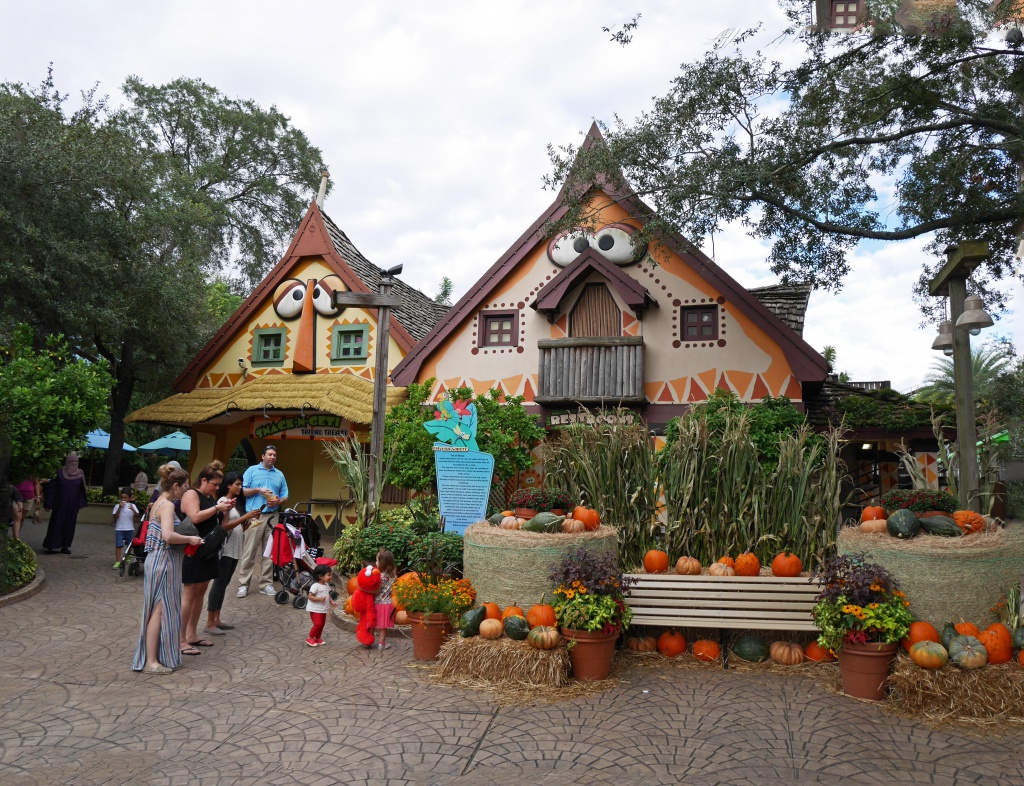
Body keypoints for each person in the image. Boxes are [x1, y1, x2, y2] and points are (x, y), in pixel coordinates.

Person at [131, 463, 203, 674]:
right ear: (176, 486)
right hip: (164, 560)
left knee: (157, 608)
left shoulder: (158, 503)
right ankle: (152, 661)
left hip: (159, 560)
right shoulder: (168, 505)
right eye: (185, 487)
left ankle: (154, 657)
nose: (186, 491)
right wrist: (191, 538)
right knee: (159, 609)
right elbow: (168, 536)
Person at [179, 460, 232, 654]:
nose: (217, 488)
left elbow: (219, 523)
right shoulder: (192, 494)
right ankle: (180, 638)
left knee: (201, 591)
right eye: (214, 484)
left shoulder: (210, 497)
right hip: (193, 550)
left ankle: (192, 633)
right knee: (190, 592)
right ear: (203, 480)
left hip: (208, 550)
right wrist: (217, 509)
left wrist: (224, 510)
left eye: (219, 485)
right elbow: (195, 517)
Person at [203, 472, 262, 635]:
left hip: (235, 549)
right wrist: (246, 516)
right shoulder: (223, 502)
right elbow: (224, 526)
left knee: (225, 584)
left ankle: (217, 619)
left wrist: (249, 522)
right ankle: (209, 622)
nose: (240, 487)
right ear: (228, 485)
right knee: (219, 584)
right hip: (225, 549)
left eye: (241, 484)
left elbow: (238, 528)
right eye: (237, 484)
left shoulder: (236, 504)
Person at [237, 445, 289, 598]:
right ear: (263, 456)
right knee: (249, 551)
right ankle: (243, 584)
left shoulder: (279, 474)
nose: (272, 457)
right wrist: (258, 490)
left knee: (269, 552)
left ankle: (266, 584)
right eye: (269, 454)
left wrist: (279, 502)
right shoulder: (251, 471)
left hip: (272, 516)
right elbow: (242, 491)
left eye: (274, 455)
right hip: (255, 515)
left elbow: (285, 495)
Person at [42, 453, 89, 554]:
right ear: (67, 462)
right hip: (60, 504)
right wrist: (49, 503)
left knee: (69, 525)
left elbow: (83, 489)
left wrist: (81, 503)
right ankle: (51, 544)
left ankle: (65, 546)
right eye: (72, 461)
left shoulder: (80, 474)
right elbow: (52, 488)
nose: (74, 463)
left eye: (76, 461)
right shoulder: (60, 473)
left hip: (73, 505)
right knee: (57, 523)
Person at [305, 563, 337, 647]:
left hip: (323, 609)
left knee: (322, 624)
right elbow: (310, 596)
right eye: (328, 575)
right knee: (318, 624)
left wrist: (332, 601)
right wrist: (319, 599)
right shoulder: (315, 586)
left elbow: (328, 594)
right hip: (315, 609)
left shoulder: (326, 585)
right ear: (320, 576)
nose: (330, 577)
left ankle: (317, 637)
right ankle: (310, 637)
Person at [373, 549, 397, 651]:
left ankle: (368, 641)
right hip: (387, 604)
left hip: (377, 603)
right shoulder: (393, 576)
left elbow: (376, 590)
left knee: (372, 623)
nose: (375, 563)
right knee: (383, 627)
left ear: (382, 563)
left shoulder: (378, 576)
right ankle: (381, 644)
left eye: (377, 561)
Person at [112, 489, 139, 569]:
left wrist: (133, 510)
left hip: (129, 528)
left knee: (129, 544)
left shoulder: (132, 505)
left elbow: (138, 516)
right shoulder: (117, 506)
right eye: (122, 497)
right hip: (119, 529)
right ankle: (118, 561)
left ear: (129, 498)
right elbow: (115, 517)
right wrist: (120, 508)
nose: (123, 499)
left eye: (125, 497)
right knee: (118, 545)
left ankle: (127, 557)